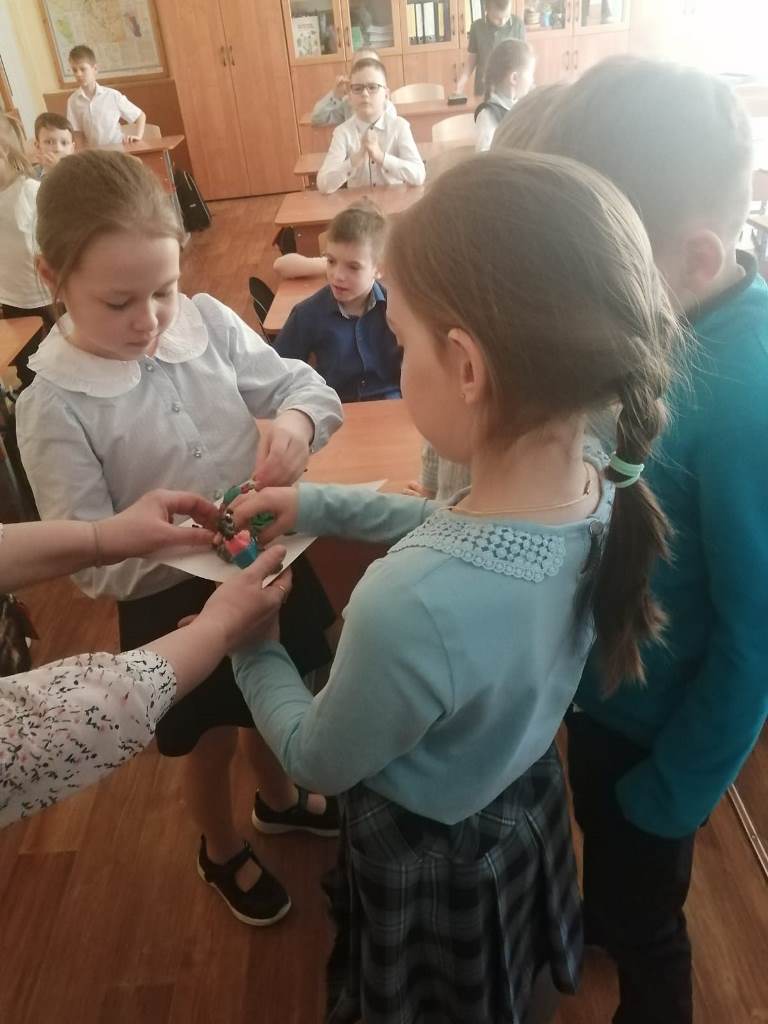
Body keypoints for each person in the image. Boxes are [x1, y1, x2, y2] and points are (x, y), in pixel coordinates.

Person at [226, 151, 680, 1023]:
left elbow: (316, 759)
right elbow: (457, 525)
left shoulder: (409, 603)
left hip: (426, 845)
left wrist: (252, 645)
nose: (396, 359)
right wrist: (314, 503)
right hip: (519, 793)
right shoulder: (599, 480)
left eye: (401, 342)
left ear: (467, 367)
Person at [501, 57, 768, 1024]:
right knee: (610, 870)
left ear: (693, 258)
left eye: (596, 267)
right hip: (606, 704)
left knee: (652, 928)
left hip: (663, 747)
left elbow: (756, 640)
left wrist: (676, 792)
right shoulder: (665, 318)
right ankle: (606, 917)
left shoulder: (746, 393)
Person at [16, 149, 344, 928]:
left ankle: (279, 799)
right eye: (118, 301)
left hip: (268, 558)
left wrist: (297, 426)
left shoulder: (206, 323)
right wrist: (182, 548)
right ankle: (220, 846)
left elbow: (304, 386)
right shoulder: (53, 404)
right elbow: (88, 561)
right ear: (51, 277)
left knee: (280, 695)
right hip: (168, 601)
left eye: (163, 289)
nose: (150, 320)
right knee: (209, 737)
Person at [0, 491, 291, 829]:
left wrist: (99, 538)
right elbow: (39, 733)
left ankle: (280, 803)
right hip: (165, 626)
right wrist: (217, 629)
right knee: (207, 737)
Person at [275, 201, 401, 402]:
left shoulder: (399, 307)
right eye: (331, 261)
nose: (337, 276)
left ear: (379, 269)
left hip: (392, 407)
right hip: (335, 406)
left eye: (353, 267)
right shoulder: (307, 314)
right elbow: (279, 375)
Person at [317, 58, 425, 194]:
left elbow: (418, 175)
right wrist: (354, 160)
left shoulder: (399, 127)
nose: (364, 94)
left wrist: (381, 157)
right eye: (357, 88)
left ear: (386, 95)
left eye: (373, 87)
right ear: (350, 96)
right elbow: (323, 184)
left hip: (395, 204)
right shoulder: (342, 132)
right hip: (358, 206)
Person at [0, 113, 53, 387]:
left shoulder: (30, 191)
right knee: (27, 368)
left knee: (58, 360)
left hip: (46, 296)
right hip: (12, 299)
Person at [66, 44, 146, 146]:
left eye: (83, 69)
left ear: (95, 69)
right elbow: (77, 133)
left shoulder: (112, 95)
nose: (78, 74)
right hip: (94, 153)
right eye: (74, 70)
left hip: (118, 149)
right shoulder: (73, 101)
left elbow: (140, 116)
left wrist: (138, 136)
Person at [474, 39, 535, 152]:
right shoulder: (488, 115)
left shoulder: (523, 108)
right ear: (514, 78)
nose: (532, 80)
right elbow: (483, 157)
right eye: (530, 74)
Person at [456, 0, 525, 98]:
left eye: (506, 16)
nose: (502, 22)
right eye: (497, 18)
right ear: (487, 10)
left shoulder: (518, 25)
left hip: (510, 88)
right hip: (484, 88)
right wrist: (462, 81)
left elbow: (523, 60)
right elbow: (472, 60)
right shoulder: (476, 27)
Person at [311, 49, 396, 126]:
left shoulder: (387, 106)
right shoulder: (347, 104)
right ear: (351, 76)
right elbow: (317, 119)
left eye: (371, 65)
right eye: (359, 67)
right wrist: (335, 96)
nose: (366, 72)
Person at [32, 112, 75, 179]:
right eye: (50, 142)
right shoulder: (30, 175)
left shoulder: (79, 172)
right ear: (38, 147)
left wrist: (59, 170)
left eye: (64, 143)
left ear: (72, 149)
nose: (58, 149)